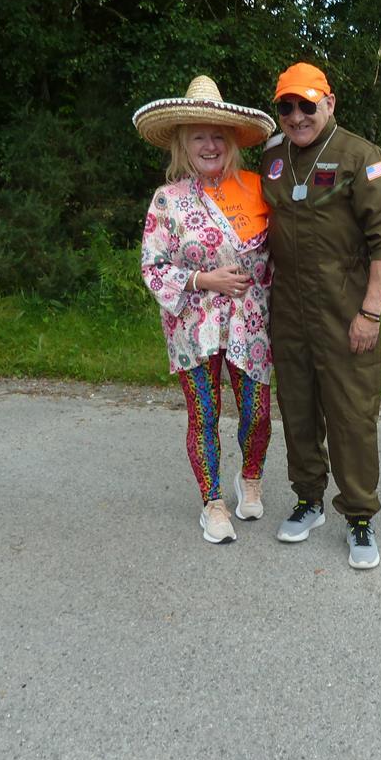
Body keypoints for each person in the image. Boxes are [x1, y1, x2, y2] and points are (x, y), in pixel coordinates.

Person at [260, 62, 381, 570]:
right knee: (297, 409)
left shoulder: (361, 157)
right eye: (286, 106)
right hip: (289, 310)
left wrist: (371, 312)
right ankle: (309, 500)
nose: (296, 116)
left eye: (306, 104)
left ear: (330, 103)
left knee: (350, 416)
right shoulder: (273, 155)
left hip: (346, 309)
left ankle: (359, 516)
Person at [134, 75, 277, 545]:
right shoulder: (167, 201)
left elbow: (287, 251)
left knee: (257, 412)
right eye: (199, 136)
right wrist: (203, 280)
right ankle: (212, 502)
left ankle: (249, 476)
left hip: (252, 325)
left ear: (233, 141)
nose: (210, 144)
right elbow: (153, 266)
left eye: (218, 135)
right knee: (205, 414)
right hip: (192, 327)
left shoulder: (259, 189)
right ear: (183, 144)